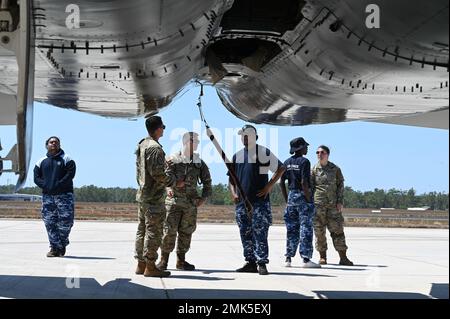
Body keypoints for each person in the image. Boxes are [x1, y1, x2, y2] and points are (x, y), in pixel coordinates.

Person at [228, 124, 286, 275]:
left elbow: (281, 168)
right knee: (245, 233)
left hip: (259, 203)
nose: (244, 138)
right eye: (242, 135)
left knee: (260, 233)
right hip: (242, 203)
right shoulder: (237, 155)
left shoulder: (263, 152)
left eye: (247, 135)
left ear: (255, 137)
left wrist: (268, 187)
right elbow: (231, 179)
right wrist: (233, 193)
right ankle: (250, 262)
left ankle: (261, 263)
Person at [157, 132, 212, 271]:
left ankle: (181, 261)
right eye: (195, 141)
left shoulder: (199, 163)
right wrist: (173, 185)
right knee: (169, 231)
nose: (198, 144)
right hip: (173, 202)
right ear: (186, 142)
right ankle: (164, 260)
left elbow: (207, 182)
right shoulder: (173, 159)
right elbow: (165, 177)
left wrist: (203, 198)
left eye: (198, 142)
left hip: (190, 204)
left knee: (186, 232)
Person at [134, 116, 180, 277]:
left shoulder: (142, 144)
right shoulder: (155, 148)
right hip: (153, 197)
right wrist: (174, 182)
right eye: (163, 127)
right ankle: (150, 265)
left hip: (143, 195)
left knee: (142, 230)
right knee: (154, 232)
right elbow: (158, 174)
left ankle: (141, 264)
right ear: (158, 128)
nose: (163, 130)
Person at [280, 138, 320, 268]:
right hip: (302, 197)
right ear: (300, 148)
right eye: (305, 147)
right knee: (306, 229)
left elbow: (281, 182)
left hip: (291, 198)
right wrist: (308, 199)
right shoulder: (305, 161)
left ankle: (288, 258)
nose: (307, 149)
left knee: (291, 229)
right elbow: (304, 182)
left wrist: (287, 199)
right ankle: (306, 259)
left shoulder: (287, 162)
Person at [34, 136, 76, 258]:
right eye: (51, 142)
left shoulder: (67, 159)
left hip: (64, 196)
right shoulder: (41, 161)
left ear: (59, 145)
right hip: (48, 197)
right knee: (49, 222)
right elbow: (36, 178)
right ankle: (54, 248)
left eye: (56, 142)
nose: (54, 144)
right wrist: (46, 186)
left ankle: (61, 243)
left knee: (66, 222)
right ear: (46, 145)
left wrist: (58, 185)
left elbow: (70, 174)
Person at [311, 145, 354, 266]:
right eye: (317, 152)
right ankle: (322, 257)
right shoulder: (314, 169)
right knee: (319, 231)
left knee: (338, 231)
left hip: (333, 205)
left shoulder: (335, 169)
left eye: (322, 152)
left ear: (327, 154)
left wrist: (340, 201)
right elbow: (310, 186)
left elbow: (340, 185)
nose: (319, 154)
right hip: (318, 205)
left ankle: (343, 257)